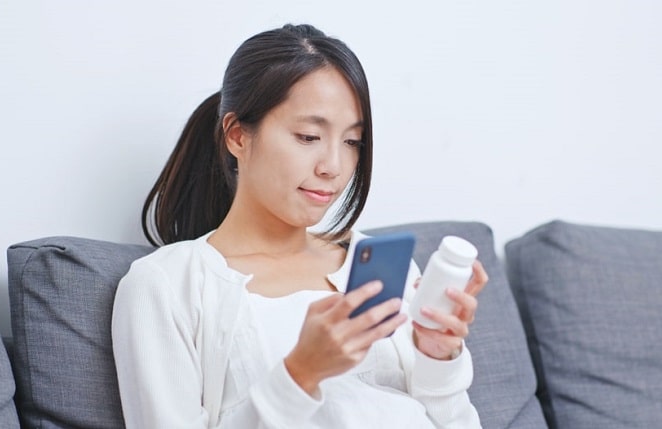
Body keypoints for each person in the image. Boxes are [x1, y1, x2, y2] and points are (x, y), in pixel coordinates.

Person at [111, 23, 488, 429]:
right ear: (237, 135)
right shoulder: (166, 284)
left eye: (352, 142)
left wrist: (437, 357)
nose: (334, 167)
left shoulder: (380, 269)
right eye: (309, 136)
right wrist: (300, 374)